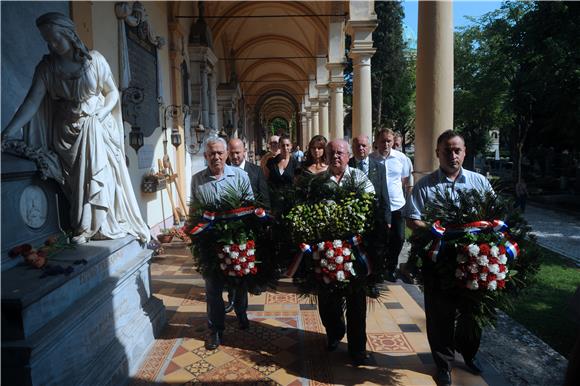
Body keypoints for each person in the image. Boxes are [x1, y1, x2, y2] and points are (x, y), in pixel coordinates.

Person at [1, 12, 149, 243]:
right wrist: (8, 131)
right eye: (47, 40)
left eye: (55, 39)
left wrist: (101, 112)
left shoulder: (95, 61)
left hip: (96, 126)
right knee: (77, 186)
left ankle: (97, 226)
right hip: (66, 133)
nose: (51, 44)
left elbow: (111, 93)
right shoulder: (47, 68)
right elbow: (31, 103)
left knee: (99, 173)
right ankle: (83, 224)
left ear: (69, 35)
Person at [405, 130, 494, 386]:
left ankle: (469, 354)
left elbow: (495, 215)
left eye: (457, 150)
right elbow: (412, 218)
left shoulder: (480, 183)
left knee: (471, 312)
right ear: (438, 153)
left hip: (474, 262)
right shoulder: (425, 186)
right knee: (440, 315)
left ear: (465, 152)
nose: (452, 155)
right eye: (447, 150)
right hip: (439, 263)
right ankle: (443, 364)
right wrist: (433, 230)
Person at [190, 137, 254, 350]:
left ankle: (241, 312)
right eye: (211, 154)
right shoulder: (197, 180)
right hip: (210, 245)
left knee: (239, 283)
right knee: (212, 289)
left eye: (219, 153)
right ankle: (216, 328)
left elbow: (250, 206)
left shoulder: (240, 176)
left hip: (236, 242)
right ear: (205, 156)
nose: (216, 157)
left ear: (226, 154)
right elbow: (194, 212)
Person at [318, 139, 375, 367]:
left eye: (340, 153)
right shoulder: (319, 182)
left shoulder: (360, 179)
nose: (335, 157)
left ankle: (357, 349)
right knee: (328, 300)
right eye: (331, 152)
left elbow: (371, 207)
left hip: (355, 252)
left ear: (349, 155)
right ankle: (334, 332)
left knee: (356, 303)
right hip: (327, 252)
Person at [224, 138, 270, 313]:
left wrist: (263, 217)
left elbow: (264, 199)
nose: (235, 156)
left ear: (244, 152)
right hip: (229, 227)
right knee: (230, 261)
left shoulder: (256, 171)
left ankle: (250, 286)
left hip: (251, 225)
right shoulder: (223, 171)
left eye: (238, 152)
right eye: (232, 152)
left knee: (247, 260)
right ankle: (232, 298)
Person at [370, 128, 413, 282]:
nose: (386, 144)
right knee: (380, 240)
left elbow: (405, 182)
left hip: (397, 205)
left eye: (389, 141)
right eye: (383, 141)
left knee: (399, 238)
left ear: (393, 141)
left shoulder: (402, 159)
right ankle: (380, 269)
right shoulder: (371, 160)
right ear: (376, 142)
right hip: (379, 207)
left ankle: (391, 267)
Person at [349, 135, 391, 288]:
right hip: (352, 217)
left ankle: (372, 282)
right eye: (358, 146)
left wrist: (388, 219)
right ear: (353, 148)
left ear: (369, 147)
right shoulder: (348, 165)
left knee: (375, 251)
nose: (361, 148)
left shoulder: (379, 167)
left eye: (363, 146)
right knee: (356, 249)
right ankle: (356, 280)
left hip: (375, 218)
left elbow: (384, 193)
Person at [266, 134, 300, 214]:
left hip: (291, 201)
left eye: (287, 145)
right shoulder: (271, 162)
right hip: (274, 201)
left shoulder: (296, 164)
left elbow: (298, 183)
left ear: (291, 146)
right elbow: (266, 180)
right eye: (283, 145)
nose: (285, 148)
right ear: (279, 146)